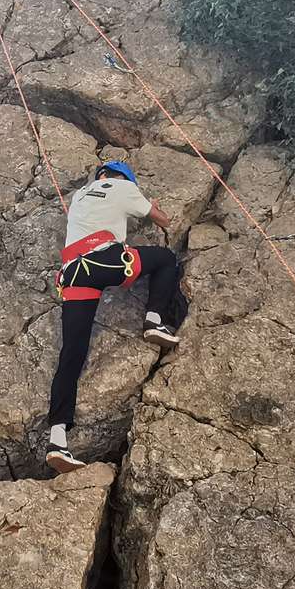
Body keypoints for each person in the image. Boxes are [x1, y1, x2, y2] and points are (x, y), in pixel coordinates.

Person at [44, 160, 188, 473]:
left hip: (73, 273)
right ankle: (153, 320)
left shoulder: (80, 195)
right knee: (165, 259)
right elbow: (162, 220)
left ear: (102, 175)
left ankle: (57, 440)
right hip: (107, 261)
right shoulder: (124, 187)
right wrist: (154, 207)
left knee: (72, 355)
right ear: (122, 177)